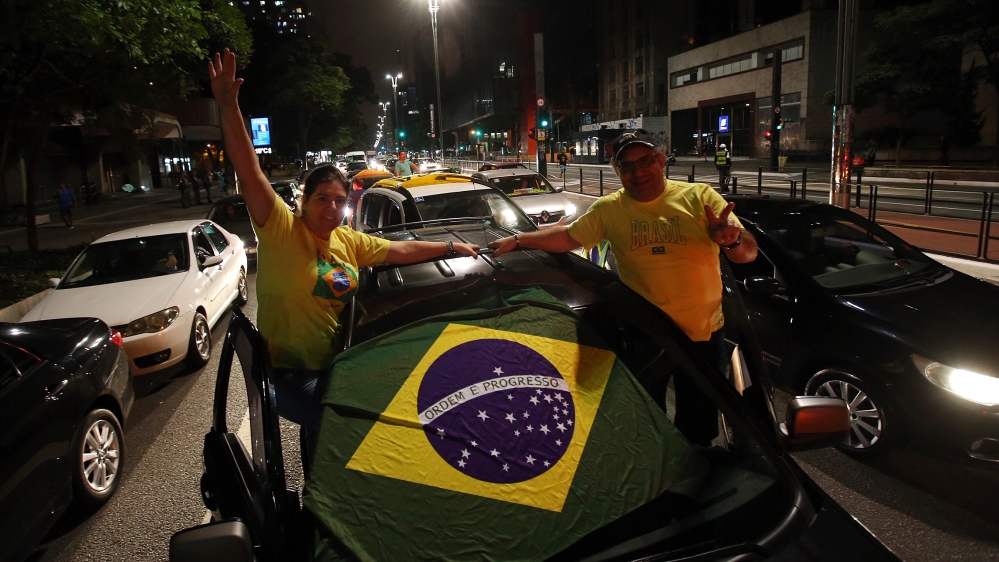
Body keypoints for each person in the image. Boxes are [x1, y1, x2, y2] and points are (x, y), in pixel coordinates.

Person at [209, 48, 480, 449]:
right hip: (284, 373)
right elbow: (249, 172)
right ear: (304, 202)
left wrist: (452, 247)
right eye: (322, 199)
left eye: (339, 201)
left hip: (335, 364)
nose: (331, 209)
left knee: (332, 436)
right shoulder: (281, 229)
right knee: (345, 424)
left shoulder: (349, 240)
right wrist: (228, 106)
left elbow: (401, 252)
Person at [489, 129, 758, 447]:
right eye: (626, 165)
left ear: (661, 161)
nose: (638, 172)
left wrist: (731, 240)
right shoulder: (609, 209)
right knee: (647, 421)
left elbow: (747, 254)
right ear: (617, 171)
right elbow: (568, 237)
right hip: (646, 334)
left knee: (698, 429)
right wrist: (520, 239)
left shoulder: (700, 198)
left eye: (645, 161)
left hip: (703, 334)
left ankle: (697, 469)